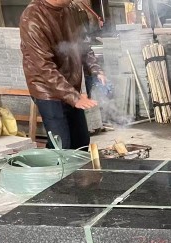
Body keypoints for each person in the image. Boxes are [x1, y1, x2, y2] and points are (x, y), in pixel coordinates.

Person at [20, 0, 106, 149]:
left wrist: (95, 69)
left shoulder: (72, 9)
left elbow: (83, 44)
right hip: (47, 90)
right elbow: (44, 67)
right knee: (61, 145)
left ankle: (77, 166)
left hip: (71, 86)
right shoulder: (32, 18)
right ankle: (54, 164)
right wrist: (74, 97)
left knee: (81, 141)